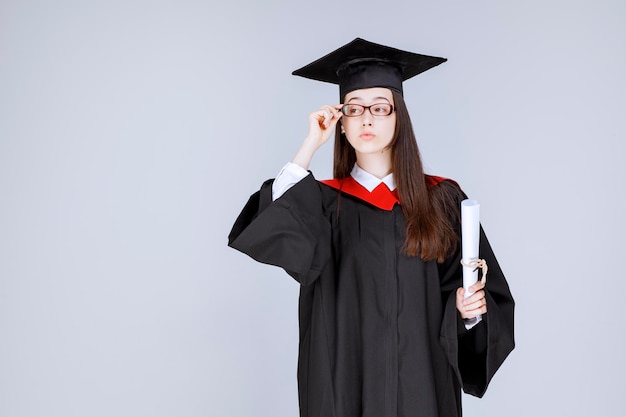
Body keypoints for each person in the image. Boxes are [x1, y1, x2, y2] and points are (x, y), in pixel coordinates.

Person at [228, 38, 515, 417]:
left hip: (421, 381)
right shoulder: (322, 202)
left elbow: (475, 297)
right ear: (341, 123)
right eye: (355, 108)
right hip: (343, 380)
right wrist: (309, 145)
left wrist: (466, 311)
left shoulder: (442, 199)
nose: (367, 118)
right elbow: (273, 230)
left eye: (381, 108)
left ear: (399, 120)